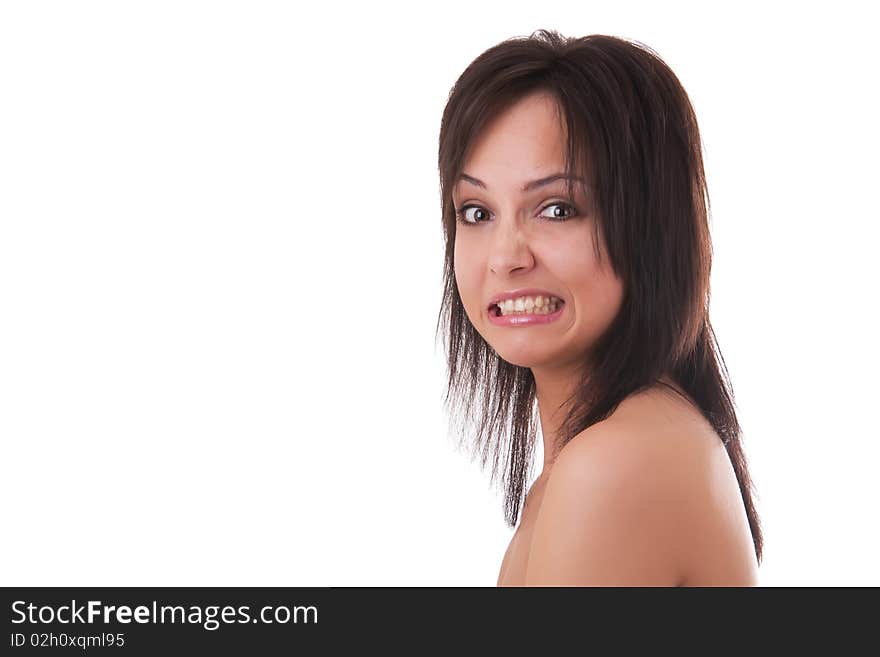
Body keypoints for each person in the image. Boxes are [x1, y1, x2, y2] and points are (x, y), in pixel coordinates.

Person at [435, 29, 763, 586]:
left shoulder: (615, 464)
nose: (505, 257)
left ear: (652, 230)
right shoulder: (610, 449)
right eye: (477, 212)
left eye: (558, 209)